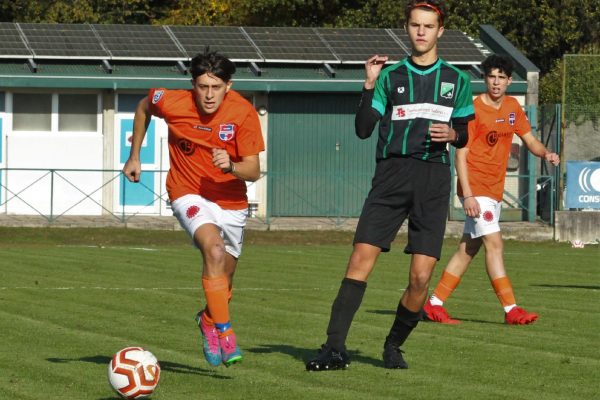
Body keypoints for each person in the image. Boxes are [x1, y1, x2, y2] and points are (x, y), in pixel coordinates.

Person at [305, 0, 474, 371]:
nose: (421, 32)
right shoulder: (389, 76)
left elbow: (464, 134)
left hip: (432, 179)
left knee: (420, 278)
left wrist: (453, 134)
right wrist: (367, 85)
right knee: (360, 260)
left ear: (440, 31)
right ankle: (334, 349)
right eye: (415, 25)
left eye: (428, 26)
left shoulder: (458, 80)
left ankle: (393, 345)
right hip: (391, 176)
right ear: (407, 28)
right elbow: (364, 129)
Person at [122, 49, 265, 367]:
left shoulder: (243, 113)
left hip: (231, 201)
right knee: (213, 251)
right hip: (187, 192)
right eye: (202, 87)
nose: (209, 95)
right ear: (193, 84)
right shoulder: (172, 101)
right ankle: (226, 332)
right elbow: (145, 106)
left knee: (225, 282)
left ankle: (208, 320)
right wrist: (135, 155)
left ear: (228, 86)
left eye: (216, 87)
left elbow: (253, 170)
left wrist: (231, 165)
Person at [423, 54, 560, 325]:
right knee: (495, 244)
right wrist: (468, 194)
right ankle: (511, 309)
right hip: (477, 189)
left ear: (509, 81)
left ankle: (434, 304)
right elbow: (460, 155)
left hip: (493, 191)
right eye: (491, 77)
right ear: (485, 79)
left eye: (501, 78)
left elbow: (530, 139)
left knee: (468, 248)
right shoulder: (472, 111)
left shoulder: (512, 107)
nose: (496, 82)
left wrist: (546, 153)